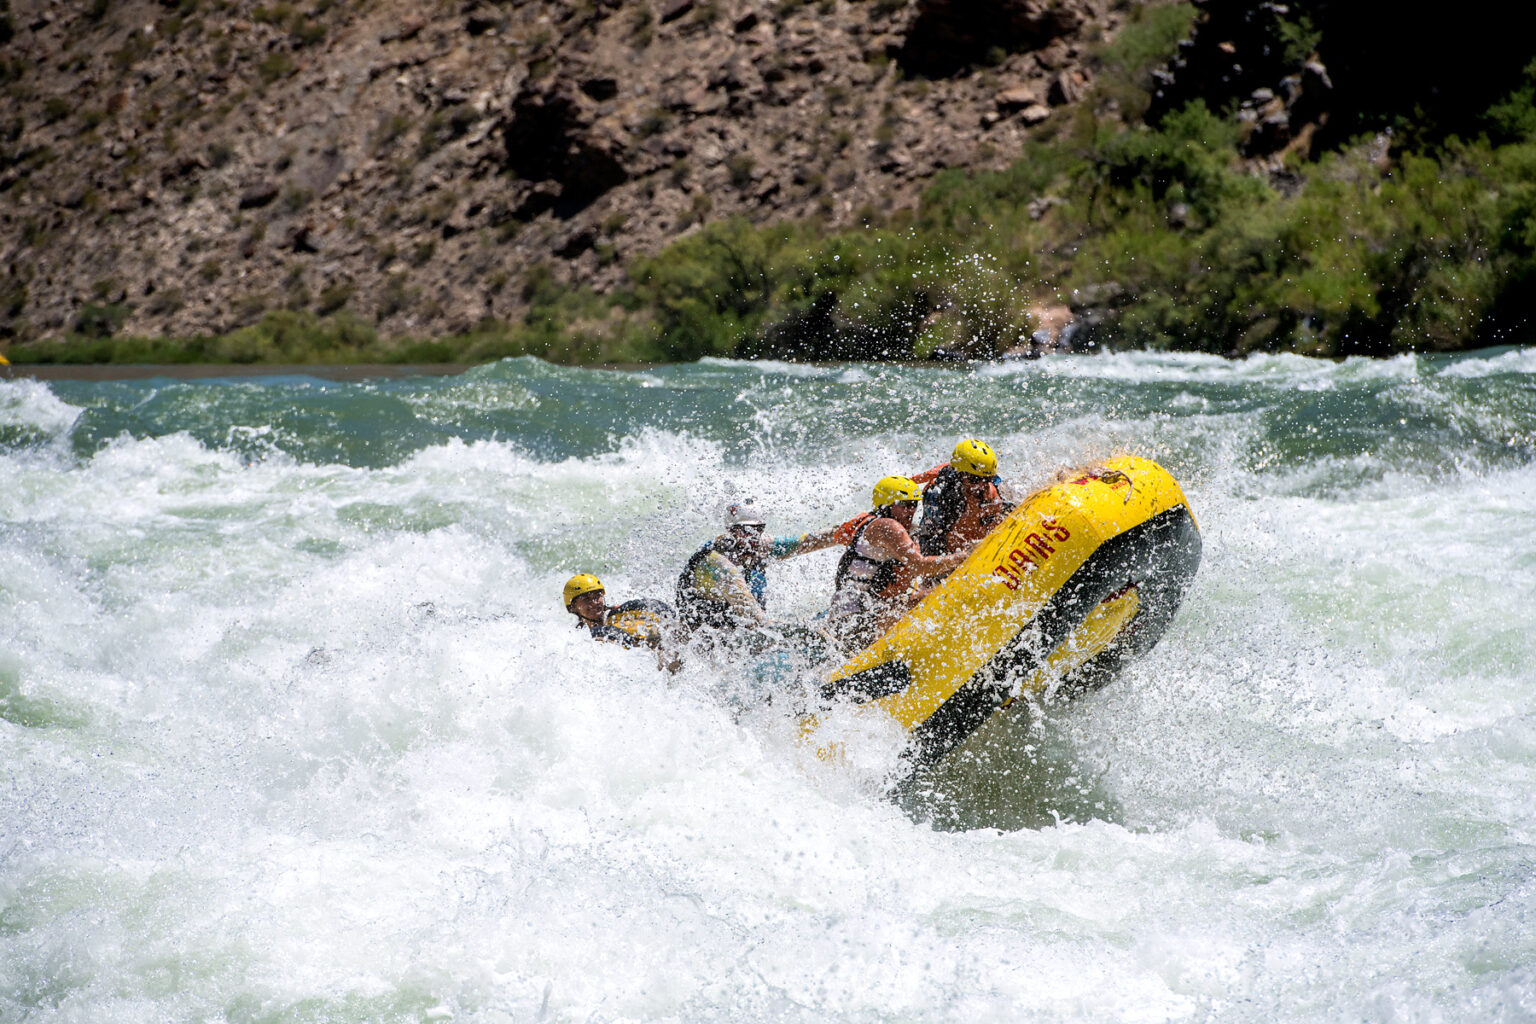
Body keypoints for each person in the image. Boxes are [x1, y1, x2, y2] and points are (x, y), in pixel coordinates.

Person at [826, 476, 974, 648]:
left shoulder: (903, 530)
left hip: (861, 618)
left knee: (935, 590)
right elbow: (920, 566)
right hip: (853, 625)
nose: (910, 510)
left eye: (913, 504)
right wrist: (964, 556)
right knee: (940, 593)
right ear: (886, 504)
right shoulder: (886, 526)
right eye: (904, 504)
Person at [674, 498, 841, 634]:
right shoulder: (718, 564)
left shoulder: (758, 546)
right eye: (746, 530)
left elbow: (807, 542)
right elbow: (757, 619)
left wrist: (849, 531)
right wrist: (805, 630)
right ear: (730, 530)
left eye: (758, 529)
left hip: (741, 626)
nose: (753, 537)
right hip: (708, 635)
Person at [913, 438, 1014, 555]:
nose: (981, 485)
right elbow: (947, 538)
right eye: (974, 479)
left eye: (987, 479)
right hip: (940, 541)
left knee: (997, 506)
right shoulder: (943, 495)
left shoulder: (986, 482)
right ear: (959, 475)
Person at [563, 573, 681, 670]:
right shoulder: (578, 636)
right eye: (586, 599)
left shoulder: (619, 615)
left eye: (596, 596)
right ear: (573, 607)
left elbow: (655, 612)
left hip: (658, 653)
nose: (594, 602)